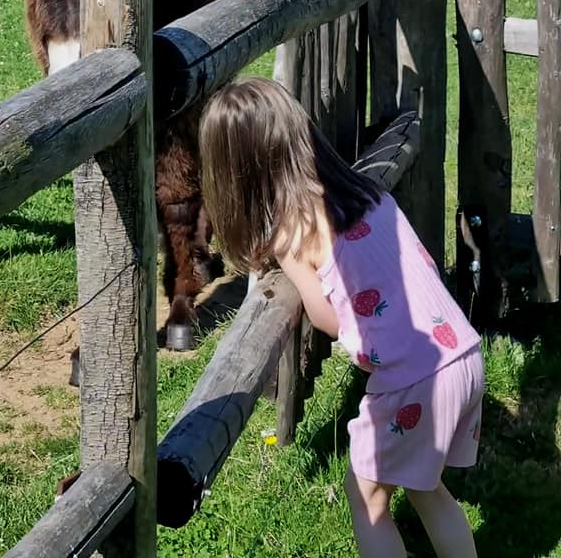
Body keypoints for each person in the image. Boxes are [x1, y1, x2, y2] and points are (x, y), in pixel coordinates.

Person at [199, 77, 484, 558]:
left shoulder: (296, 230)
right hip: (461, 354)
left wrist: (291, 263)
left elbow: (329, 319)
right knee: (425, 487)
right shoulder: (365, 194)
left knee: (366, 498)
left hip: (413, 380)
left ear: (238, 171)